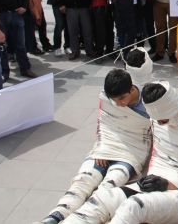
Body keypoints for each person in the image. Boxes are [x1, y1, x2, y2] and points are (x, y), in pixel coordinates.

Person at [35, 69, 152, 224]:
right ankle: (54, 217)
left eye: (122, 98)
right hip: (105, 147)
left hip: (132, 152)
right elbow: (104, 125)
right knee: (83, 180)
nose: (118, 104)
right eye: (114, 100)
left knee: (110, 184)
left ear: (132, 89)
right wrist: (103, 148)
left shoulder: (150, 102)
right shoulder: (105, 97)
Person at [104, 81, 178, 224]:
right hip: (157, 179)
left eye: (163, 120)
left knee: (134, 206)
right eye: (156, 120)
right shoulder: (158, 118)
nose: (160, 124)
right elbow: (157, 155)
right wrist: (152, 178)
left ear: (173, 108)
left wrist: (166, 185)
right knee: (104, 199)